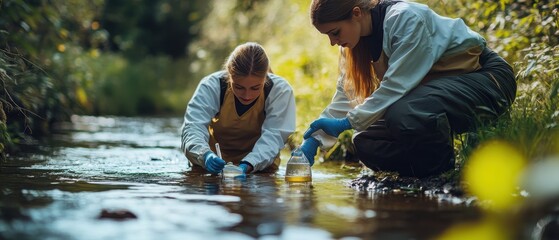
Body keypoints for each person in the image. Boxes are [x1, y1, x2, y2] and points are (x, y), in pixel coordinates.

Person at [299, 0, 516, 177]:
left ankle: (441, 171)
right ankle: (423, 172)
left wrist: (346, 122)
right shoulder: (355, 43)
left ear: (356, 13)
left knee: (403, 112)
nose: (332, 42)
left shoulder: (406, 19)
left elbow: (395, 87)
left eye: (334, 32)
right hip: (436, 94)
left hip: (487, 79)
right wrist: (314, 139)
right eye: (327, 35)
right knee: (365, 140)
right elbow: (346, 94)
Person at [181, 42, 296, 174]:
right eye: (239, 87)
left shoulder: (280, 91)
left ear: (265, 78)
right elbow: (193, 127)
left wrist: (248, 164)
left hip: (261, 166)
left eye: (255, 88)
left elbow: (274, 136)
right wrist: (204, 155)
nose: (247, 95)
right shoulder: (211, 86)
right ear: (229, 75)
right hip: (211, 165)